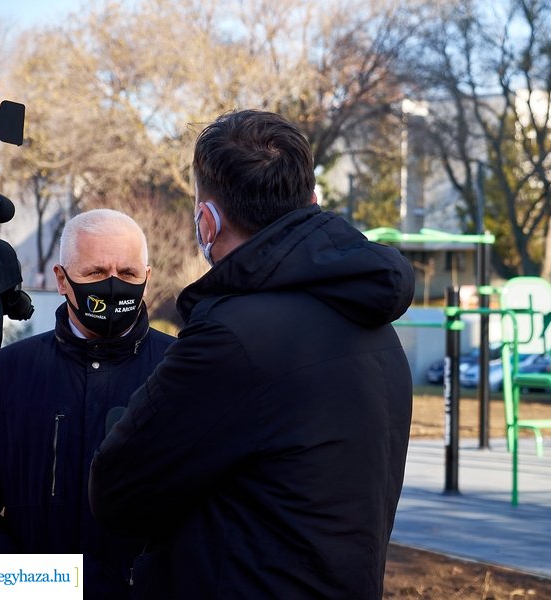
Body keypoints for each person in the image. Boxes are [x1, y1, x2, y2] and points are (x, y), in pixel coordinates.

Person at [89, 109, 415, 599]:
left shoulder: (231, 339)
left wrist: (123, 418)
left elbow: (117, 492)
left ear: (207, 222)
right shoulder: (372, 320)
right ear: (312, 202)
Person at [0, 209, 175, 597]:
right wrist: (32, 585)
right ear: (62, 279)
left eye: (128, 273)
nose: (113, 286)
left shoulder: (183, 371)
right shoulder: (5, 373)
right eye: (96, 273)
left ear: (147, 278)